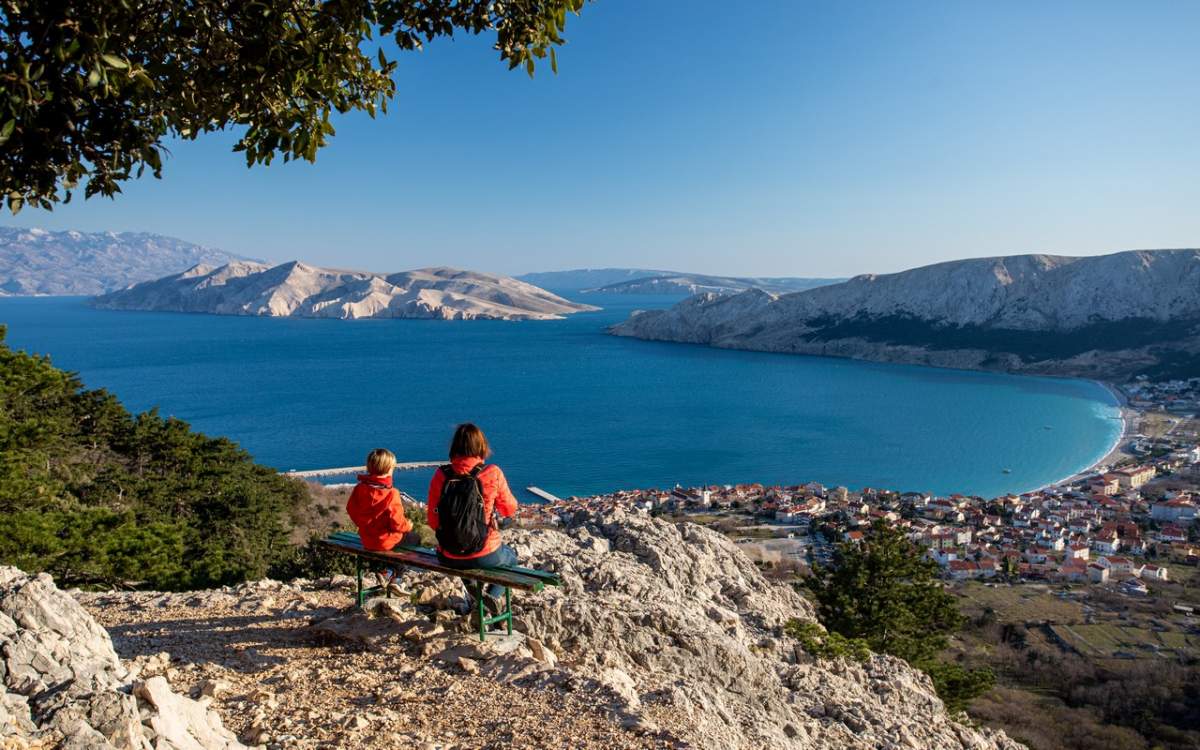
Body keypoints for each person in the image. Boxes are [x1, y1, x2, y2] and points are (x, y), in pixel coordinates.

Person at [427, 423, 518, 615]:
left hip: (448, 555)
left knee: (464, 562)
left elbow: (433, 521)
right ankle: (490, 599)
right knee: (511, 558)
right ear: (481, 446)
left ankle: (477, 601)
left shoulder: (440, 475)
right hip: (484, 553)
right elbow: (510, 508)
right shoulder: (491, 472)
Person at [346, 448, 414, 554]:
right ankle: (397, 568)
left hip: (366, 540)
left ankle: (384, 567)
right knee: (415, 538)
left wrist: (364, 525)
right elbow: (397, 523)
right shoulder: (392, 493)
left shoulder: (359, 488)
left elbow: (351, 509)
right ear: (389, 469)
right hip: (386, 541)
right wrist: (408, 526)